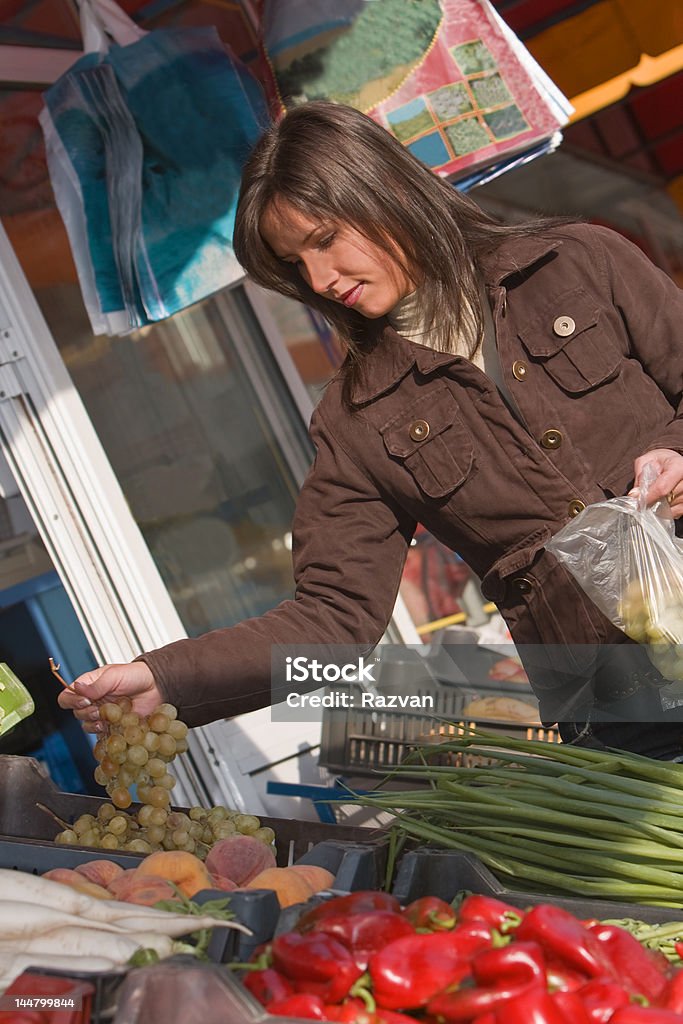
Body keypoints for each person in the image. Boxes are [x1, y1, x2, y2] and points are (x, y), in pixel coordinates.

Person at [59, 101, 683, 757]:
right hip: (623, 721)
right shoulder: (357, 418)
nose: (320, 280)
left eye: (324, 239)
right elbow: (334, 618)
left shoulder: (580, 262)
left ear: (384, 190)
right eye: (295, 263)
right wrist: (167, 679)